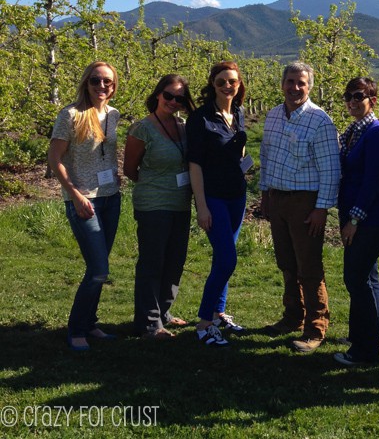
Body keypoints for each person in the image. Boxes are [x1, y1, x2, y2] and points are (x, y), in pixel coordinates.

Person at [260, 61, 341, 353]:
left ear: (310, 86)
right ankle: (293, 316)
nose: (295, 88)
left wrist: (321, 209)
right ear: (282, 84)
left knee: (308, 266)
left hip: (305, 201)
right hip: (279, 197)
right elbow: (267, 156)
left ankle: (316, 327)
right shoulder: (272, 115)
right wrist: (266, 194)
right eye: (290, 81)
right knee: (286, 262)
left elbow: (331, 170)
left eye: (301, 83)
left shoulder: (320, 121)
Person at [48, 61, 121, 351]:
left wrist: (114, 173)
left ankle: (90, 323)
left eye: (108, 81)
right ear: (86, 82)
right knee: (98, 268)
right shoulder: (71, 114)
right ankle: (77, 328)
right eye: (95, 80)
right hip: (84, 200)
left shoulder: (113, 114)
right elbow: (54, 159)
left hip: (110, 197)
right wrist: (75, 194)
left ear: (114, 86)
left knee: (99, 267)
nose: (101, 86)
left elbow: (107, 151)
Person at [123, 74, 196, 339]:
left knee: (175, 261)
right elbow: (130, 169)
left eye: (179, 98)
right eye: (168, 95)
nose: (173, 102)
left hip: (180, 204)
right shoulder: (143, 128)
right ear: (157, 94)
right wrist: (155, 185)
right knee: (152, 263)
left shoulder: (184, 126)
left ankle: (163, 312)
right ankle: (148, 323)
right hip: (154, 204)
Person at [333, 77, 379, 366]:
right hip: (358, 214)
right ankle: (368, 335)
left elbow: (372, 182)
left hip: (372, 217)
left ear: (373, 98)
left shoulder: (375, 133)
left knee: (355, 277)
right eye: (348, 96)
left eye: (359, 96)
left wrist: (354, 221)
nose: (352, 101)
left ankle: (366, 350)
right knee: (367, 276)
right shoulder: (354, 131)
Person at [186, 61, 250, 347]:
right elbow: (195, 165)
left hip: (237, 195)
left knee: (225, 257)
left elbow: (240, 150)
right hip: (213, 197)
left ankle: (218, 311)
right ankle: (203, 323)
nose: (227, 85)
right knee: (227, 259)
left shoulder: (238, 113)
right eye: (222, 81)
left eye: (232, 81)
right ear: (213, 83)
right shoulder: (200, 118)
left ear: (239, 85)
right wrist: (201, 206)